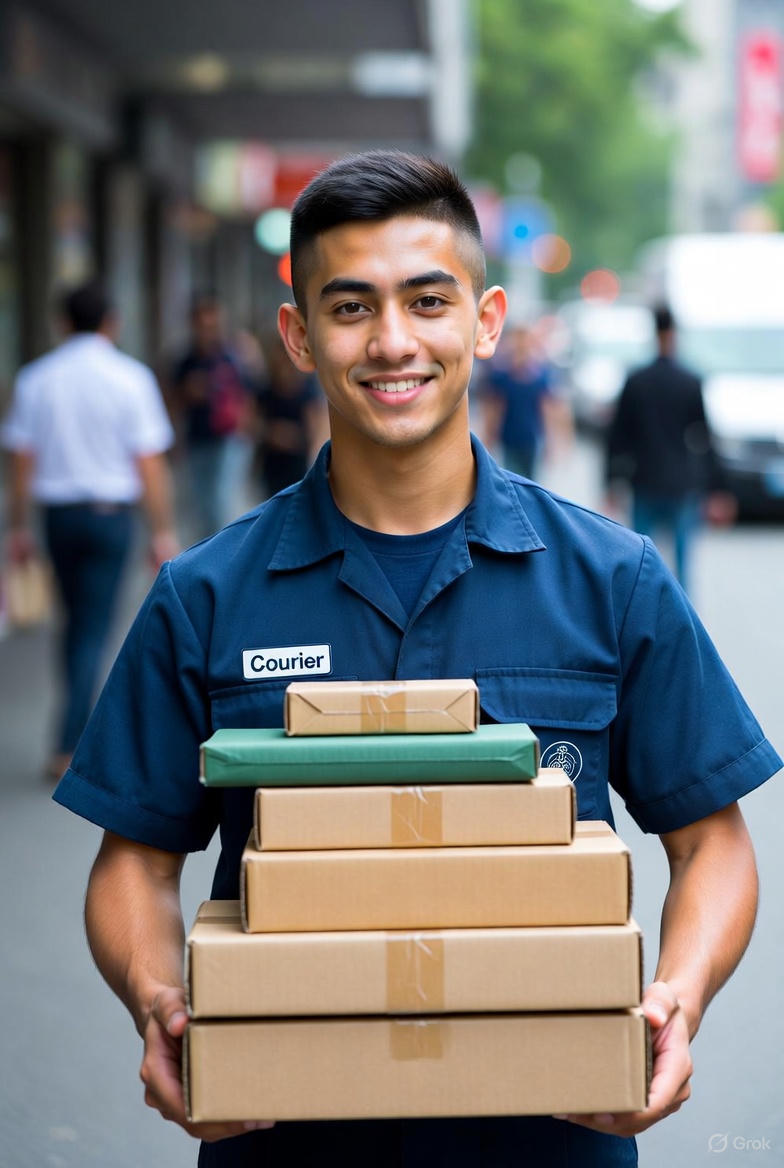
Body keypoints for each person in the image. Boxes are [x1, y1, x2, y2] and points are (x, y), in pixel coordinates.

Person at [52, 154, 780, 1167]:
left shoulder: (610, 579)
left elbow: (713, 842)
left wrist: (677, 995)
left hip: (555, 1132)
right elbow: (133, 856)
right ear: (299, 337)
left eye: (426, 301)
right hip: (279, 1133)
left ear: (483, 321)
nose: (392, 342)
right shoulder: (206, 595)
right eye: (350, 307)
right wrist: (161, 999)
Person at [1, 280, 177, 781]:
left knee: (75, 622)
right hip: (110, 516)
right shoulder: (130, 378)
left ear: (62, 322)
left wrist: (17, 526)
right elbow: (149, 463)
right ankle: (69, 743)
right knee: (93, 627)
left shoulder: (35, 378)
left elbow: (21, 462)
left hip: (57, 517)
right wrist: (160, 530)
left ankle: (69, 734)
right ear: (112, 322)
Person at [604, 304, 734, 593]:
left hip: (644, 480)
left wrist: (611, 482)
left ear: (654, 333)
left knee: (640, 561)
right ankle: (682, 627)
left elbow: (617, 436)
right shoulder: (690, 381)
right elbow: (703, 437)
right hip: (681, 483)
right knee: (683, 563)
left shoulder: (636, 381)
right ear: (674, 334)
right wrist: (719, 487)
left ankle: (640, 623)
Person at [169, 294, 254, 540]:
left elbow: (249, 394)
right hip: (197, 438)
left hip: (228, 438)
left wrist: (245, 427)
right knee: (200, 502)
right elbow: (172, 400)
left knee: (221, 499)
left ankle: (224, 550)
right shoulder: (185, 361)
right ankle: (208, 550)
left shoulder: (233, 357)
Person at [479, 321, 572, 479]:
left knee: (530, 481)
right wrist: (488, 439)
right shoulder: (502, 376)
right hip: (509, 437)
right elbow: (493, 409)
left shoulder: (540, 376)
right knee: (512, 477)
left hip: (531, 438)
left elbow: (548, 410)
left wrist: (553, 442)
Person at [254, 331, 328, 497]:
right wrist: (271, 433)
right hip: (271, 465)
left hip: (298, 465)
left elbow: (315, 429)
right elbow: (252, 423)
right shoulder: (266, 390)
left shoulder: (306, 391)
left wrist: (292, 437)